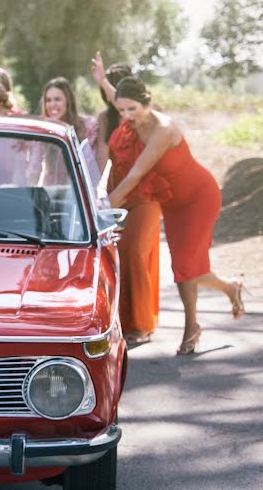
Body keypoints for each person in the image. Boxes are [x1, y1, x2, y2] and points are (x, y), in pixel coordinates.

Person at [106, 76, 245, 355]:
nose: (125, 116)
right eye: (121, 110)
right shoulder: (133, 116)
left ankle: (191, 328)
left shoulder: (163, 130)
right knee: (189, 269)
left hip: (198, 198)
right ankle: (230, 287)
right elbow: (117, 96)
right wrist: (103, 81)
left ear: (147, 103)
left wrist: (102, 207)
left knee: (183, 266)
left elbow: (136, 175)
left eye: (132, 109)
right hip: (171, 202)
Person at [91, 55, 160, 345]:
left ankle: (142, 324)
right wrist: (93, 194)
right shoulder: (107, 119)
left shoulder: (147, 118)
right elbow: (99, 160)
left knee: (135, 254)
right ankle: (120, 321)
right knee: (115, 256)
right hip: (116, 194)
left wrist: (103, 79)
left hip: (146, 195)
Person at [24, 77, 99, 186]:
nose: (52, 104)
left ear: (68, 101)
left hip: (79, 192)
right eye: (48, 100)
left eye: (57, 99)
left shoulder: (87, 126)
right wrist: (30, 194)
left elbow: (91, 167)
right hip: (52, 190)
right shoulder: (43, 128)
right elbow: (34, 167)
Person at [90, 54, 133, 174]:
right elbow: (101, 157)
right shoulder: (105, 118)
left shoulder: (142, 114)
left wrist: (103, 81)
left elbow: (126, 106)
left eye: (110, 89)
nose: (108, 96)